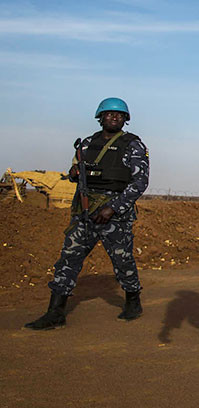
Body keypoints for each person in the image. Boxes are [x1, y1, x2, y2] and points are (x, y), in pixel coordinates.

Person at [24, 98, 149, 330]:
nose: (114, 118)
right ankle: (55, 312)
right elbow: (76, 174)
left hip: (115, 214)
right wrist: (73, 173)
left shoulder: (133, 145)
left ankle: (133, 300)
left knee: (122, 261)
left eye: (119, 115)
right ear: (100, 117)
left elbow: (140, 182)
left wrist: (113, 208)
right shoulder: (86, 144)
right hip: (85, 211)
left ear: (126, 120)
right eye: (109, 114)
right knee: (68, 260)